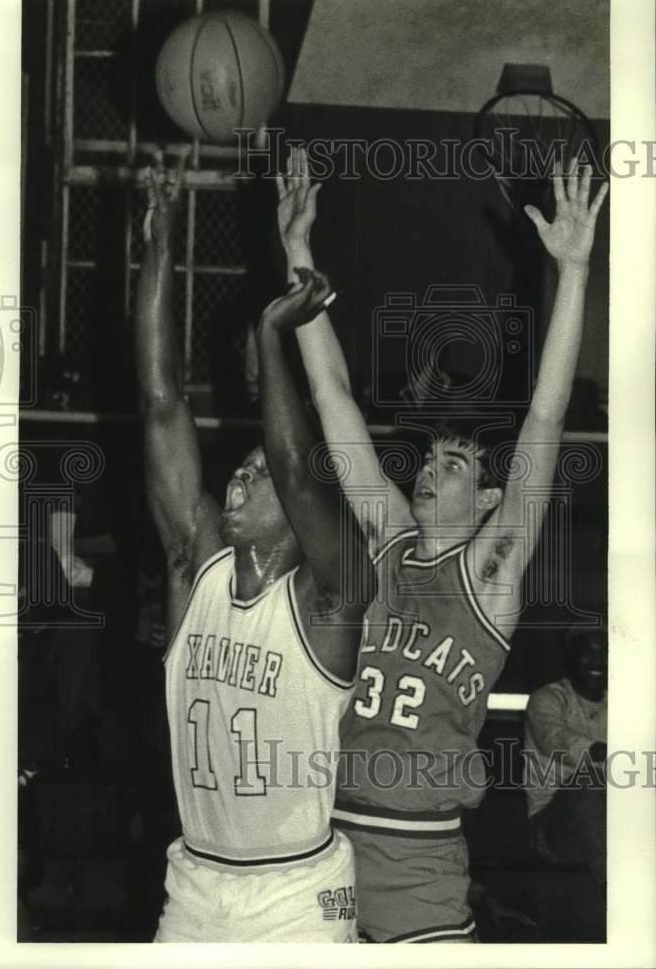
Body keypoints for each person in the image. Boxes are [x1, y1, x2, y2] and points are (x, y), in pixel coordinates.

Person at [276, 148, 608, 942]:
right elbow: (332, 398)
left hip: (418, 857)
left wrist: (572, 273)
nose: (429, 470)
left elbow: (545, 420)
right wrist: (297, 254)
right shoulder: (390, 543)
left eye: (452, 463)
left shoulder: (489, 574)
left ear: (490, 496)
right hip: (326, 841)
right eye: (427, 458)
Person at [134, 150, 374, 942]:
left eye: (252, 474)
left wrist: (274, 334)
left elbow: (299, 469)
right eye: (237, 475)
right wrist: (159, 245)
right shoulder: (192, 567)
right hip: (196, 884)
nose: (235, 484)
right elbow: (161, 401)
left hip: (300, 896)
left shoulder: (333, 597)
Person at [524, 625, 607, 889]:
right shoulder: (546, 699)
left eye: (604, 652)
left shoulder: (624, 701)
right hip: (552, 828)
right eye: (587, 652)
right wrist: (602, 750)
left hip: (608, 818)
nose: (597, 660)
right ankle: (614, 889)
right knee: (589, 779)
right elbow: (554, 739)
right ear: (571, 657)